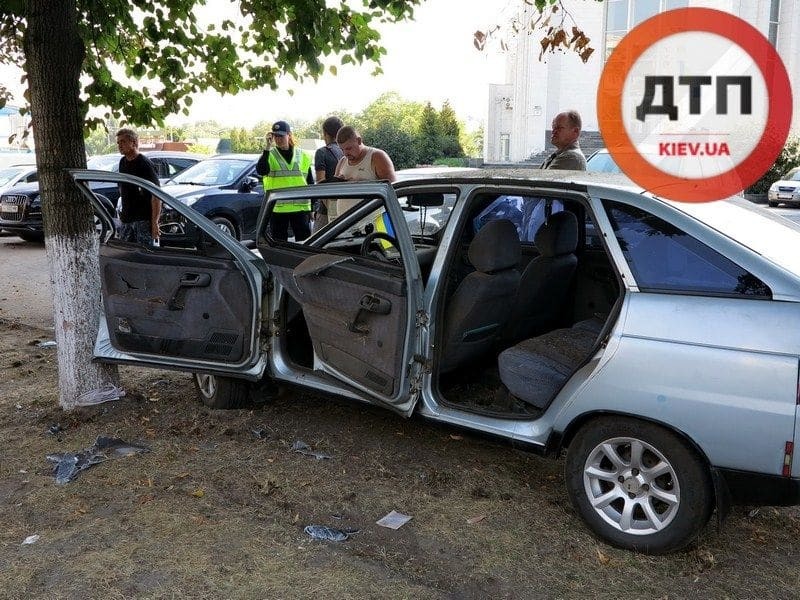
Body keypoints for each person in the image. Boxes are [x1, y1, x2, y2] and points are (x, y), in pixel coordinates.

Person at [256, 120, 314, 241]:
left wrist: (312, 207)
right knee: (278, 243)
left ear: (289, 135)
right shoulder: (270, 155)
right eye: (275, 136)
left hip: (300, 207)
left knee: (304, 243)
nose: (278, 139)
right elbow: (261, 170)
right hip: (277, 207)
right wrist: (267, 147)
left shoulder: (302, 155)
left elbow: (310, 183)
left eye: (281, 136)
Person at [116, 128, 161, 246]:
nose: (120, 145)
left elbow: (156, 194)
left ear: (134, 142)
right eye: (118, 143)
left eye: (123, 142)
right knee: (125, 254)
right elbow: (122, 189)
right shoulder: (122, 162)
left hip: (143, 220)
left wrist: (155, 222)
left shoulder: (144, 164)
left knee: (144, 255)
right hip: (126, 220)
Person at [312, 115, 344, 232]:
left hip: (327, 211)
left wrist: (332, 212)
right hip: (349, 208)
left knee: (315, 245)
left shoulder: (322, 152)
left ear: (325, 133)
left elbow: (321, 184)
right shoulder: (347, 151)